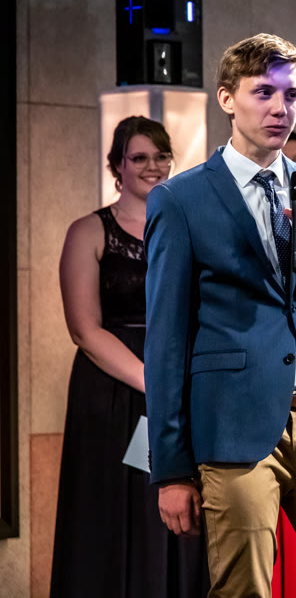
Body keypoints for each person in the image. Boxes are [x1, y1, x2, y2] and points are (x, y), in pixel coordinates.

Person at [143, 33, 296, 597]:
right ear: (227, 98)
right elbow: (164, 345)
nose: (281, 108)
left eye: (291, 95)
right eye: (264, 93)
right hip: (232, 426)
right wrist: (171, 468)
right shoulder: (180, 200)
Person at [51, 116, 209, 597]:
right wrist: (153, 382)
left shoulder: (189, 229)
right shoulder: (88, 231)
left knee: (181, 514)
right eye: (139, 157)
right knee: (116, 512)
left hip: (180, 382)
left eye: (161, 156)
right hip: (114, 388)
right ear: (117, 165)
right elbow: (84, 329)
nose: (152, 166)